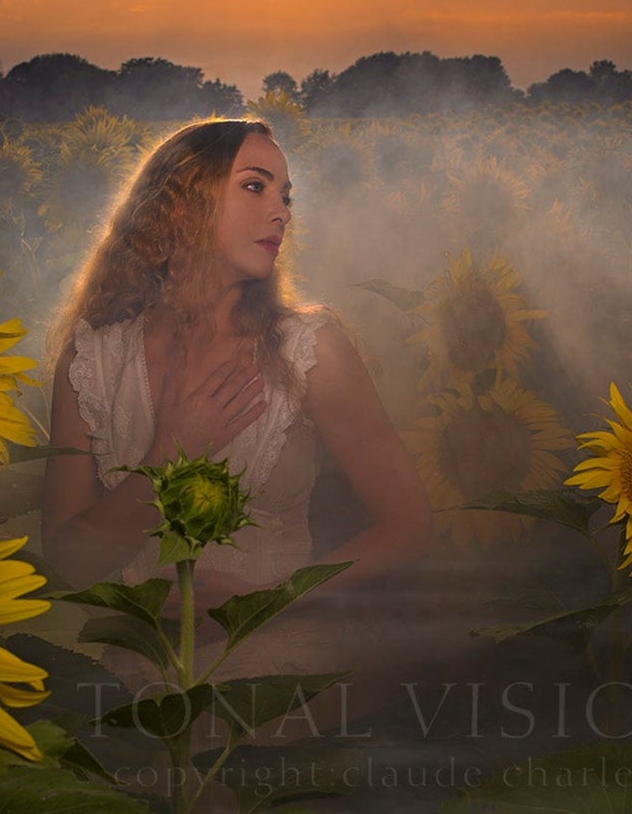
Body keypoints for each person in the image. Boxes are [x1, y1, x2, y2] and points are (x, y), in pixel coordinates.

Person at [42, 118, 430, 672]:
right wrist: (167, 454)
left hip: (276, 678)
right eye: (255, 186)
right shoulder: (91, 363)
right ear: (180, 203)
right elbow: (69, 564)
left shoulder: (309, 349)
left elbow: (409, 526)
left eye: (286, 195)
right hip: (135, 686)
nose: (283, 212)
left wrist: (267, 603)